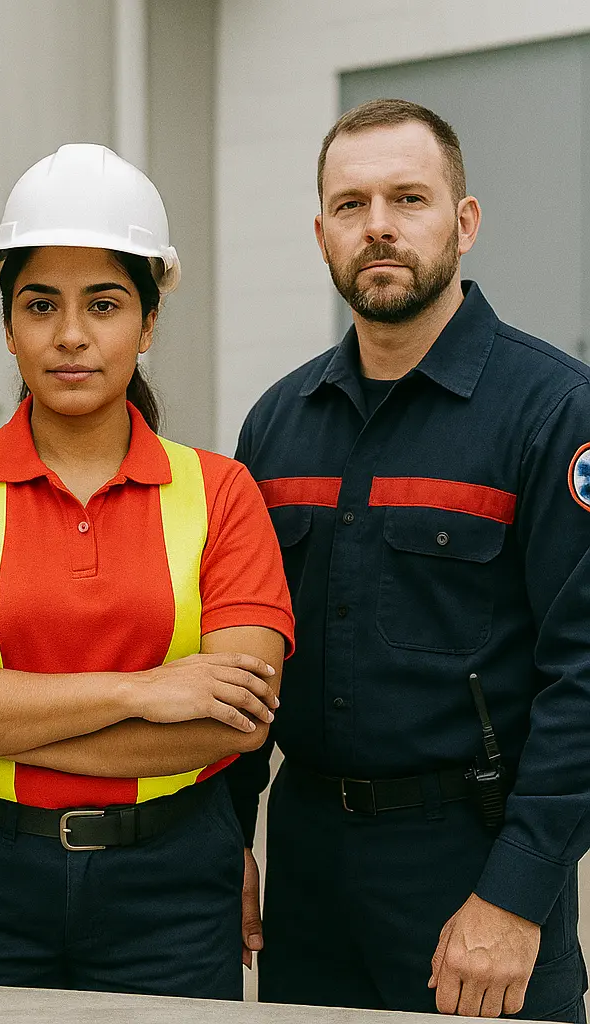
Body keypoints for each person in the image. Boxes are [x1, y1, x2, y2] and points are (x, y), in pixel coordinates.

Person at [0, 143, 294, 999]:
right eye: (41, 305)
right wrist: (143, 690)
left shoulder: (222, 493)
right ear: (8, 326)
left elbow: (233, 723)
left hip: (172, 888)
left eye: (103, 305)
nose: (71, 335)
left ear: (146, 324)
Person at [230, 98, 590, 1020]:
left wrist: (518, 894)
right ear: (321, 234)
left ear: (464, 223)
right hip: (309, 873)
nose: (378, 226)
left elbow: (583, 678)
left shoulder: (554, 413)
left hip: (470, 864)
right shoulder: (277, 425)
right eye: (351, 205)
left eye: (409, 198)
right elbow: (239, 658)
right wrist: (226, 844)